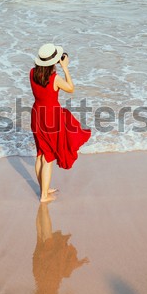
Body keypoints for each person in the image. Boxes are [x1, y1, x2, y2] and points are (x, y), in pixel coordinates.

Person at [30, 43, 91, 203]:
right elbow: (71, 88)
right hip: (51, 118)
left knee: (40, 154)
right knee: (48, 158)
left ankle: (44, 188)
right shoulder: (54, 78)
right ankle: (44, 196)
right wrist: (65, 67)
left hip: (37, 115)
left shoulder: (32, 73)